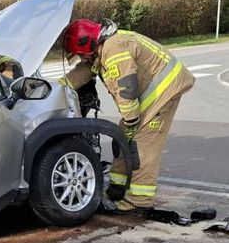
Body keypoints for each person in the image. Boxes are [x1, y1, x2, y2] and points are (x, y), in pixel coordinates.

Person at [59, 19, 194, 212]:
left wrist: (131, 120)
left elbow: (126, 87)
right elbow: (83, 72)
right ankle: (117, 187)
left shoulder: (114, 49)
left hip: (164, 92)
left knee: (143, 144)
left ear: (87, 44)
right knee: (121, 139)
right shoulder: (101, 49)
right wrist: (56, 87)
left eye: (80, 54)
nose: (81, 58)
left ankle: (139, 199)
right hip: (148, 96)